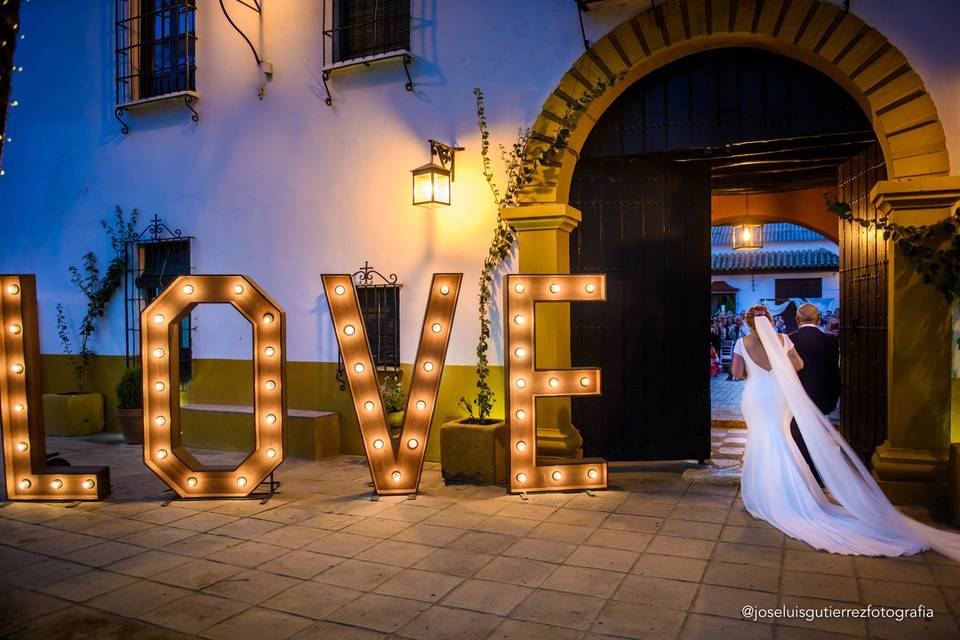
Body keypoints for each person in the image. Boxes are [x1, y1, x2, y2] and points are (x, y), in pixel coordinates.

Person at [730, 304, 960, 560]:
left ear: (749, 321)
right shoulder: (783, 340)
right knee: (782, 439)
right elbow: (798, 365)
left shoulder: (742, 342)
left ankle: (765, 493)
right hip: (780, 397)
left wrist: (755, 371)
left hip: (756, 395)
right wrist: (778, 369)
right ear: (770, 319)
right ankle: (793, 493)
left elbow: (737, 373)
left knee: (761, 440)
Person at [786, 303, 840, 487]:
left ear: (797, 319)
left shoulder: (788, 340)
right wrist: (833, 398)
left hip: (794, 397)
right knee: (817, 437)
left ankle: (799, 476)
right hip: (820, 397)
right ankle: (817, 477)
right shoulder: (830, 340)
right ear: (818, 319)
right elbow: (835, 372)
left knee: (796, 435)